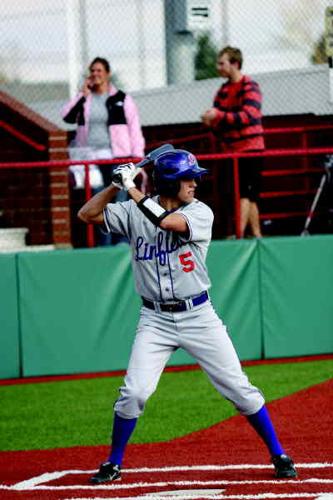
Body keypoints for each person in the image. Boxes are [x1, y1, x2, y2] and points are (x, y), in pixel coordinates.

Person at [78, 149, 297, 484]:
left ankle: (279, 454)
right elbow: (87, 214)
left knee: (239, 389)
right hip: (155, 320)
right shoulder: (133, 211)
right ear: (168, 181)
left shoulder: (199, 212)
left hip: (198, 315)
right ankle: (113, 462)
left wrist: (132, 188)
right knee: (134, 393)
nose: (195, 182)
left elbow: (165, 222)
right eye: (187, 178)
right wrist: (114, 185)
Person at [61, 56, 146, 245]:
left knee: (121, 201)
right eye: (92, 71)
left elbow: (134, 128)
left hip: (118, 157)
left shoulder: (121, 99)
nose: (95, 74)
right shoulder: (86, 99)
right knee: (99, 202)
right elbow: (66, 116)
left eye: (99, 70)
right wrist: (81, 94)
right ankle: (104, 244)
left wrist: (137, 157)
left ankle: (122, 243)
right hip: (91, 158)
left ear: (107, 74)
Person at [201, 46, 264, 238]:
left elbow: (250, 115)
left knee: (244, 194)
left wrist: (218, 116)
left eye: (222, 63)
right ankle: (257, 235)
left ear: (235, 64)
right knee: (247, 196)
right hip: (232, 150)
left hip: (251, 149)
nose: (218, 67)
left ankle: (239, 235)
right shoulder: (223, 90)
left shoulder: (250, 86)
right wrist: (211, 122)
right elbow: (221, 121)